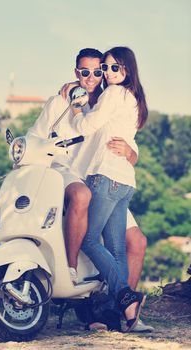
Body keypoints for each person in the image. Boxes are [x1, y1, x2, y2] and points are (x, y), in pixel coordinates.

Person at [27, 48, 152, 332]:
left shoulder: (109, 99)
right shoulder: (61, 101)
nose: (95, 77)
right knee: (91, 218)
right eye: (87, 72)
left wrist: (132, 153)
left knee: (137, 243)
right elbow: (37, 138)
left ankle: (121, 309)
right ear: (76, 73)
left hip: (104, 178)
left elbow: (127, 138)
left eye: (100, 71)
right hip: (74, 176)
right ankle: (91, 294)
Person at [65, 46, 148, 331]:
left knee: (89, 241)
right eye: (106, 68)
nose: (108, 74)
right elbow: (128, 140)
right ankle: (122, 317)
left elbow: (86, 126)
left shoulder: (112, 94)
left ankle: (126, 297)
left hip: (105, 177)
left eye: (114, 68)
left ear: (127, 70)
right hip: (125, 181)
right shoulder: (134, 98)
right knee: (117, 251)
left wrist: (77, 110)